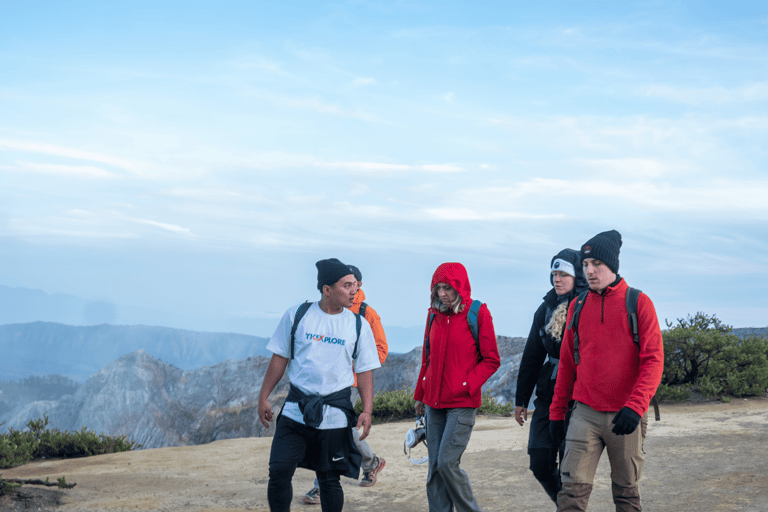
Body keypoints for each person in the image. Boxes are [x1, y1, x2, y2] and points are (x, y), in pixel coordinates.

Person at [549, 230, 664, 512]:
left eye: (596, 264)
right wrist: (556, 412)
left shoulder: (639, 303)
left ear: (613, 265)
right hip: (585, 412)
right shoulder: (577, 306)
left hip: (626, 414)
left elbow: (653, 360)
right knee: (571, 494)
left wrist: (636, 407)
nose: (589, 271)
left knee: (626, 493)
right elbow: (567, 364)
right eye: (586, 265)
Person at [258, 258, 382, 512]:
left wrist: (367, 410)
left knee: (329, 479)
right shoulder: (297, 315)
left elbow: (365, 370)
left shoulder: (358, 324)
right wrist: (264, 396)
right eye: (346, 285)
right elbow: (280, 357)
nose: (354, 291)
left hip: (334, 415)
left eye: (354, 285)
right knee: (279, 470)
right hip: (296, 411)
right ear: (327, 289)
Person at [414, 262, 501, 512]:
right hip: (433, 403)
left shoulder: (478, 312)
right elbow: (427, 359)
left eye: (448, 288)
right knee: (434, 467)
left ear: (460, 287)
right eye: (438, 288)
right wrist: (420, 395)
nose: (442, 294)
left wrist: (466, 385)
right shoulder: (433, 315)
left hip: (462, 402)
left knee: (447, 462)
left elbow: (492, 359)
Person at [303, 264, 389, 505]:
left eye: (352, 283)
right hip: (324, 381)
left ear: (358, 285)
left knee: (332, 429)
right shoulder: (327, 309)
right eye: (345, 283)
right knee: (336, 429)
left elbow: (381, 350)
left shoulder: (366, 313)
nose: (350, 287)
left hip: (349, 382)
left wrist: (355, 367)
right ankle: (372, 462)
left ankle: (321, 486)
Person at [515, 248, 587, 503]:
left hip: (579, 397)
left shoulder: (589, 306)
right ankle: (565, 505)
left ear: (577, 276)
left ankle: (570, 507)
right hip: (549, 392)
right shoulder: (545, 309)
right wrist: (521, 399)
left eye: (563, 274)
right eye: (554, 274)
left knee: (571, 468)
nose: (557, 279)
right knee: (540, 461)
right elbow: (532, 356)